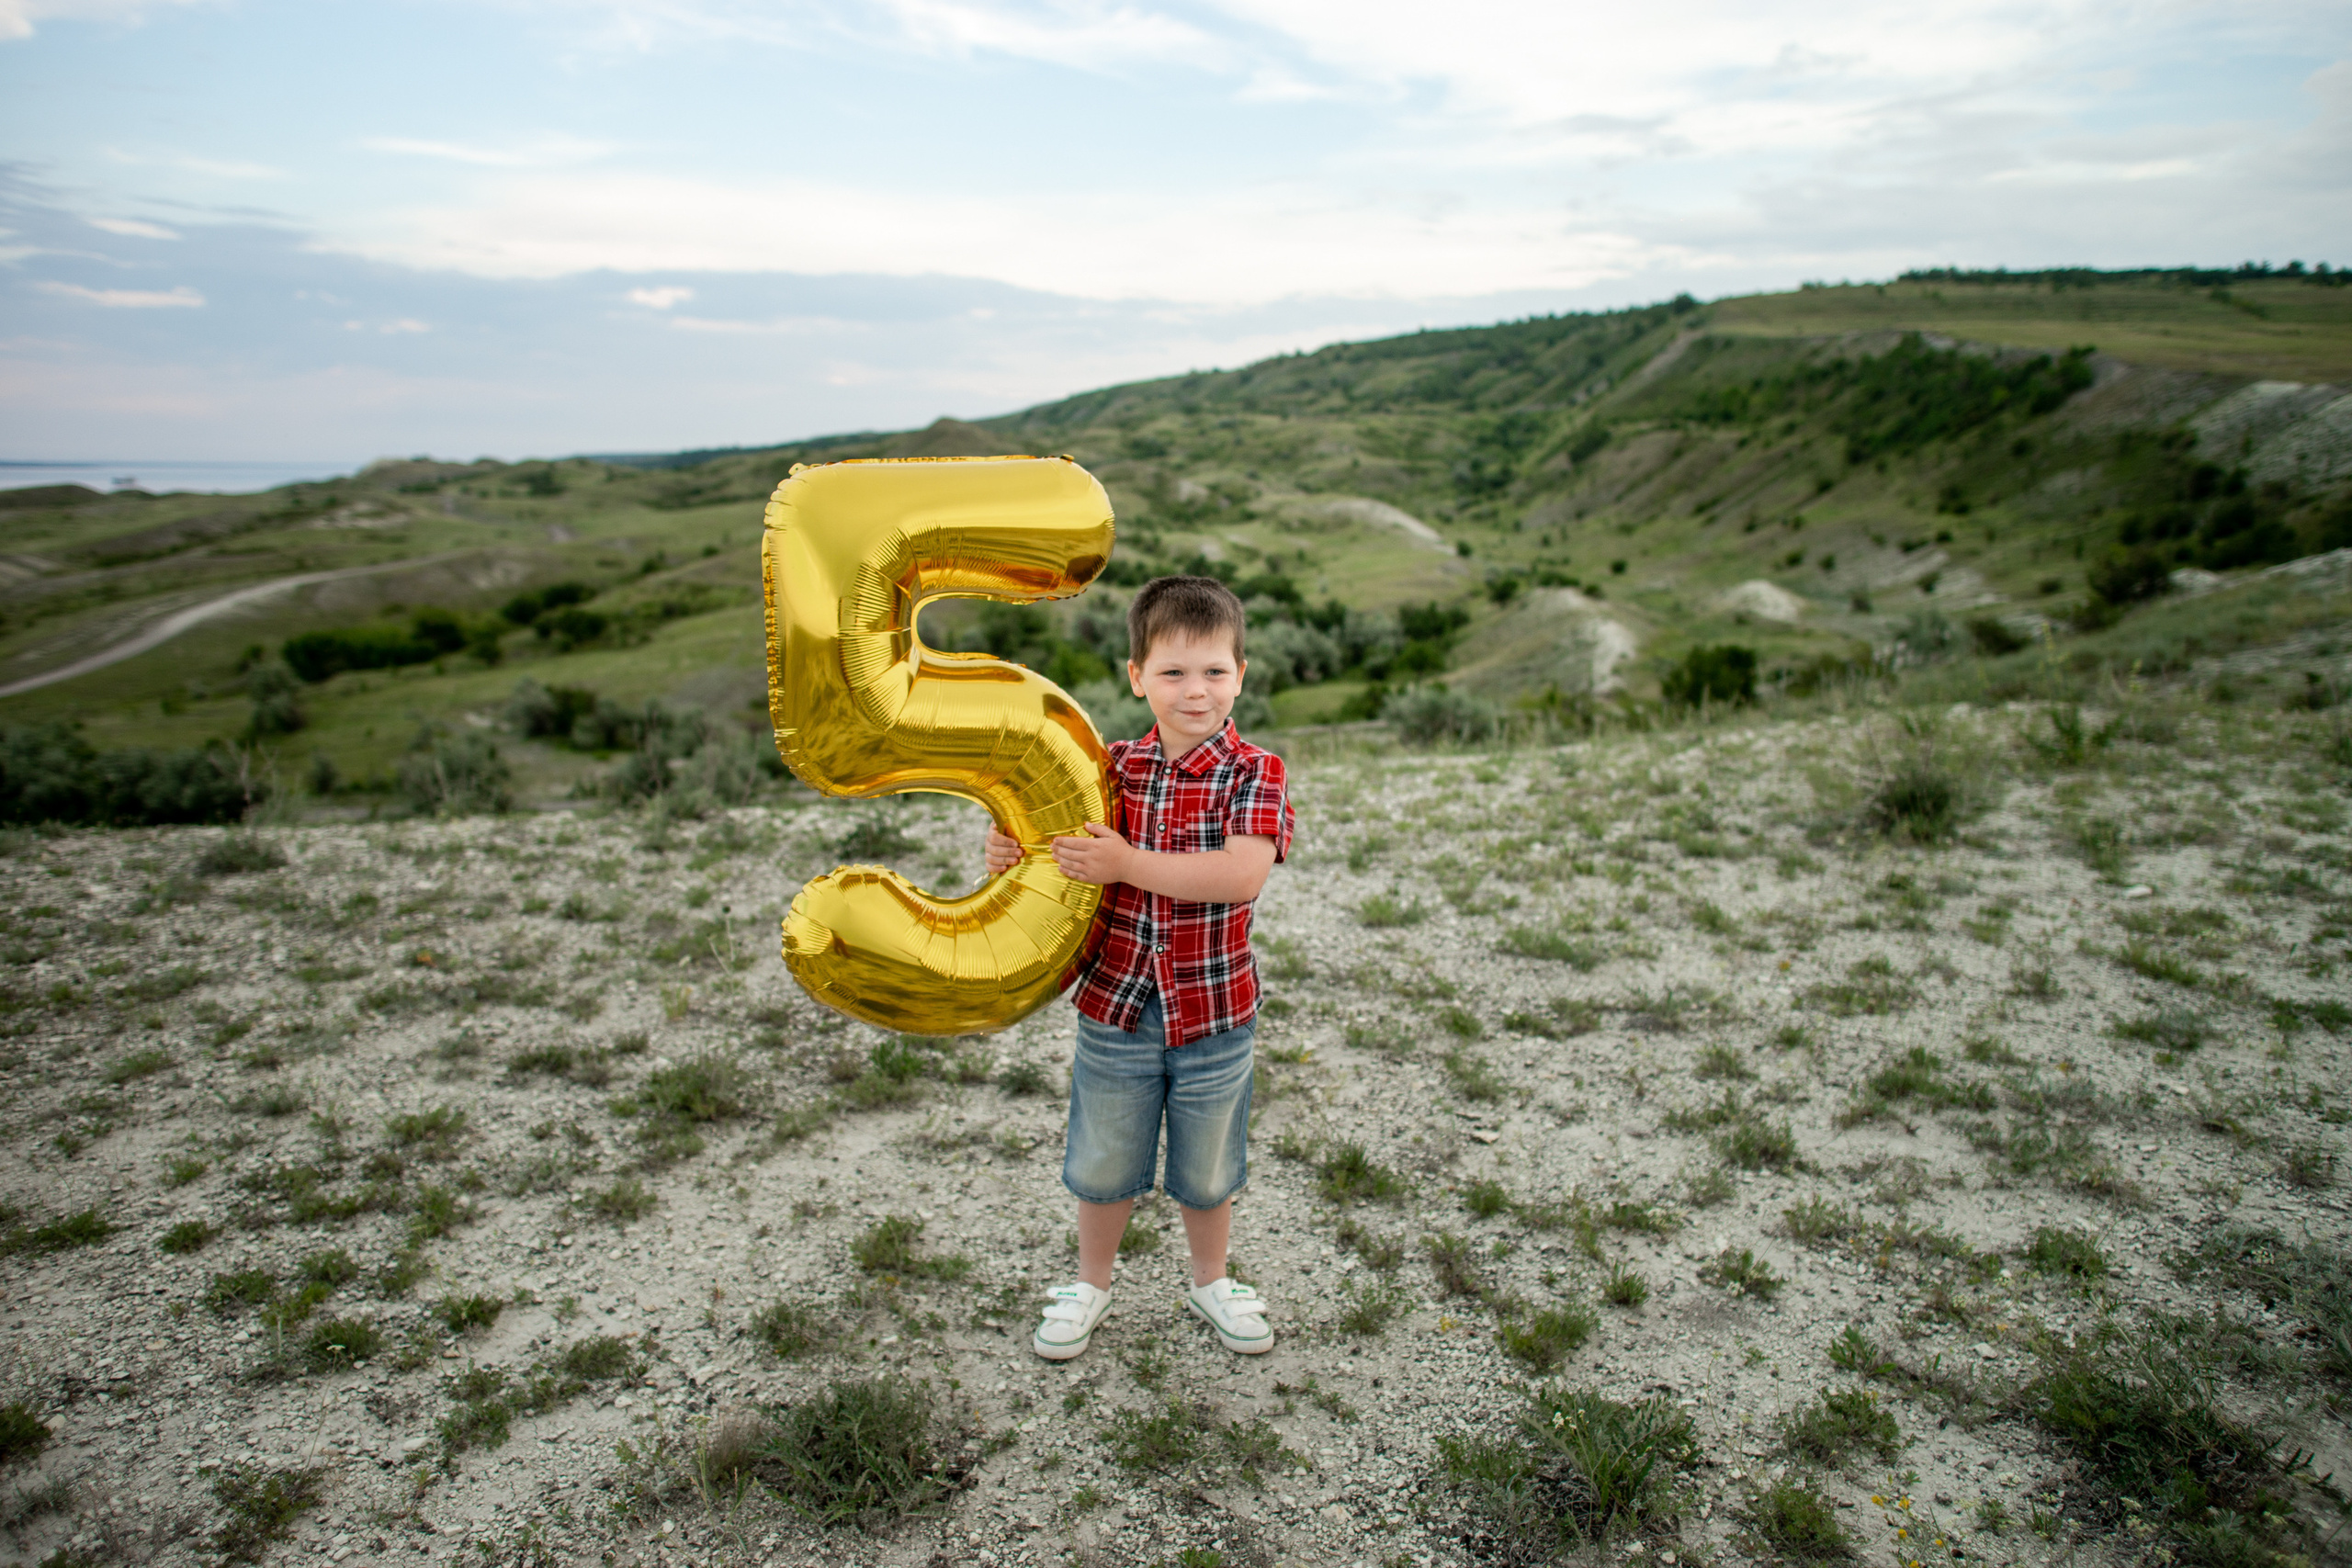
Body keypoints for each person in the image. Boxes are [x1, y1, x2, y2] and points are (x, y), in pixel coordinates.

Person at [981, 574, 1295, 1362]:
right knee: (1103, 1156)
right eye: (1174, 672)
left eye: (1216, 671)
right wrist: (1010, 851)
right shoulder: (1107, 767)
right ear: (1136, 676)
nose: (1197, 691)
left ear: (1241, 675)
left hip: (1215, 1011)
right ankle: (1091, 1283)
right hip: (1117, 1005)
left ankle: (1209, 1279)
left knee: (1208, 1162)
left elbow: (1239, 876)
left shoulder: (1256, 771)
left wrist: (1124, 862)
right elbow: (1056, 852)